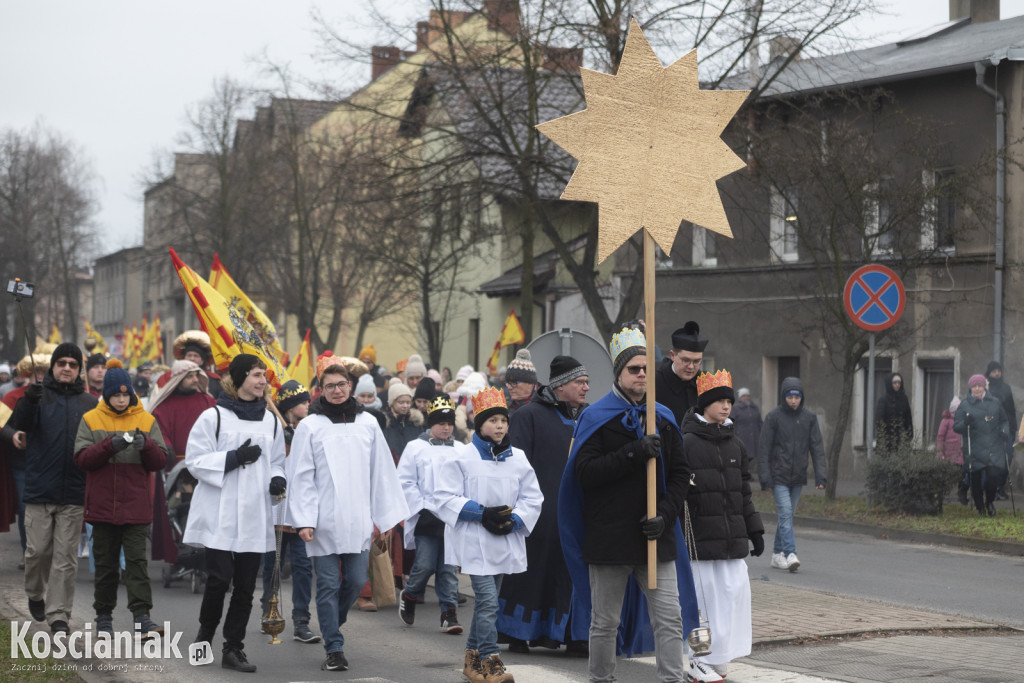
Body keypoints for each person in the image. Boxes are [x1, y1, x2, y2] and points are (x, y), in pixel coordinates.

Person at [559, 326, 700, 683]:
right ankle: (601, 678)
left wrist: (665, 515)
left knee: (670, 616)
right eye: (633, 369)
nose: (641, 375)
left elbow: (682, 475)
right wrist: (634, 451)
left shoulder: (663, 418)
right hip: (609, 539)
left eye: (645, 369)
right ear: (619, 373)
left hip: (655, 537)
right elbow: (586, 473)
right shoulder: (596, 418)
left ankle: (671, 678)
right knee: (605, 621)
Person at [286, 359, 409, 672]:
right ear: (321, 390)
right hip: (323, 521)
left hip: (358, 519)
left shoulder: (367, 423)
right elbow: (300, 475)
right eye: (330, 386)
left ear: (350, 386)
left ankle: (333, 621)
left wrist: (384, 517)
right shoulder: (310, 426)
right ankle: (334, 646)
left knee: (355, 580)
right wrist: (303, 520)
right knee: (327, 584)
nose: (337, 390)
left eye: (341, 385)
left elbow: (381, 472)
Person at [184, 354, 287, 673]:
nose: (263, 382)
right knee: (219, 580)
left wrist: (277, 479)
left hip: (254, 514)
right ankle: (203, 640)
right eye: (257, 375)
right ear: (240, 377)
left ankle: (233, 648)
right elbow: (195, 461)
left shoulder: (270, 419)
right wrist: (233, 458)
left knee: (244, 585)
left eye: (265, 377)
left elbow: (278, 459)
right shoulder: (213, 417)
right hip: (221, 512)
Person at [434, 387, 543, 683]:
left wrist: (514, 520)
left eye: (503, 421)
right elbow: (444, 497)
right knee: (488, 602)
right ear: (479, 423)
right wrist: (481, 514)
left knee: (488, 603)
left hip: (503, 540)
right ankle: (492, 660)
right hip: (474, 541)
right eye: (493, 420)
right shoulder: (462, 457)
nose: (499, 426)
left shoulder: (518, 458)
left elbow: (533, 498)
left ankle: (471, 660)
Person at [498, 355, 590, 656]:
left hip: (580, 514)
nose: (587, 388)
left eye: (587, 382)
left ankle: (575, 636)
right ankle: (517, 633)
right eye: (580, 382)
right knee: (531, 576)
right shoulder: (529, 416)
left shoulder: (589, 417)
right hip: (539, 515)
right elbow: (514, 468)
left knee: (574, 577)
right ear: (561, 386)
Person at [5, 342, 97, 634]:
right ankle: (34, 593)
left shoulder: (90, 403)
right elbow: (19, 425)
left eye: (73, 364)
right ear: (53, 368)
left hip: (73, 491)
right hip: (40, 488)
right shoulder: (37, 396)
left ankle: (59, 615)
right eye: (62, 363)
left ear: (79, 369)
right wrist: (30, 401)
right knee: (37, 553)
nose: (67, 368)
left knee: (65, 559)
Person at [73, 359, 170, 637]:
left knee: (138, 565)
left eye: (125, 395)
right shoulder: (91, 419)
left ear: (132, 395)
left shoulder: (146, 420)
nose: (120, 399)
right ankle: (104, 618)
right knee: (105, 566)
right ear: (106, 395)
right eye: (115, 395)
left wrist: (147, 446)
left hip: (136, 507)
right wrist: (108, 446)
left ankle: (142, 618)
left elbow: (159, 460)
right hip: (102, 508)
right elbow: (81, 458)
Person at [680, 370, 764, 682]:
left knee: (733, 596)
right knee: (703, 604)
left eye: (729, 401)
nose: (726, 406)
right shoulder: (686, 442)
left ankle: (719, 657)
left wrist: (753, 529)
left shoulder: (736, 445)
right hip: (699, 541)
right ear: (705, 404)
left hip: (731, 541)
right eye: (719, 401)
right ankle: (698, 659)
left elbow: (743, 492)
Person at [256, 379, 320, 644]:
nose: (308, 405)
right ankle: (268, 610)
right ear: (292, 406)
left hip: (302, 509)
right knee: (274, 565)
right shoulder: (273, 429)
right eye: (304, 402)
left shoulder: (311, 429)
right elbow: (269, 462)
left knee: (304, 567)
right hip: (280, 507)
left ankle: (301, 620)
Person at [397, 396, 463, 635]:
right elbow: (405, 481)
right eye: (440, 423)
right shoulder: (416, 447)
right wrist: (421, 506)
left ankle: (449, 613)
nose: (445, 427)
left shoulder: (462, 450)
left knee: (447, 569)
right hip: (427, 516)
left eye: (449, 423)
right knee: (424, 565)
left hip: (452, 518)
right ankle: (411, 593)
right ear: (430, 423)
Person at [148, 359, 216, 565]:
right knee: (177, 508)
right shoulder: (164, 407)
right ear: (178, 379)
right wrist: (165, 446)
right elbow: (159, 428)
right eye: (190, 376)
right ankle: (179, 550)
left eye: (197, 375)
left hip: (206, 466)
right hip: (176, 469)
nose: (196, 379)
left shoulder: (208, 403)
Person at [757, 377, 826, 572]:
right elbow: (764, 449)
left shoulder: (809, 418)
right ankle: (790, 553)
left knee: (786, 516)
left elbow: (817, 448)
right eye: (790, 397)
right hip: (778, 475)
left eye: (797, 397)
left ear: (801, 398)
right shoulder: (773, 417)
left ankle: (776, 554)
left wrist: (821, 476)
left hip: (797, 476)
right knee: (786, 513)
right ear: (783, 397)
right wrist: (765, 477)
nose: (793, 401)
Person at [953, 374, 1010, 517]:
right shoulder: (965, 405)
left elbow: (1004, 420)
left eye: (979, 385)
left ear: (984, 386)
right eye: (974, 386)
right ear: (971, 388)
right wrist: (965, 423)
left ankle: (989, 502)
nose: (977, 389)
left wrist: (1004, 431)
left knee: (992, 478)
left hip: (992, 447)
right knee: (976, 481)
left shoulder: (995, 402)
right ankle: (980, 508)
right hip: (974, 448)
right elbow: (956, 426)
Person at [655, 321, 708, 427]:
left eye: (696, 361)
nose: (691, 366)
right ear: (672, 355)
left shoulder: (706, 384)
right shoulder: (654, 383)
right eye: (685, 360)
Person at [985, 361, 1016, 500]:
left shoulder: (1006, 388)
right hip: (991, 429)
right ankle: (991, 488)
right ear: (989, 372)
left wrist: (1013, 428)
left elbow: (1011, 410)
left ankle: (1000, 486)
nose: (997, 373)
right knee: (993, 460)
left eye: (999, 370)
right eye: (994, 370)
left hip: (1007, 427)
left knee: (1008, 457)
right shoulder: (986, 388)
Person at [172, 330, 222, 398]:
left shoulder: (215, 381)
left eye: (196, 356)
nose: (192, 359)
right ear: (183, 358)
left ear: (202, 360)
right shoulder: (174, 377)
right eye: (189, 355)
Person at [937, 397, 968, 505]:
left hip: (961, 453)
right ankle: (942, 495)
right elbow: (940, 437)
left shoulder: (963, 421)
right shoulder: (946, 421)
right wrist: (940, 451)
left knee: (963, 474)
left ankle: (961, 493)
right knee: (949, 474)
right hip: (950, 453)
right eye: (955, 411)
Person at [874, 372, 913, 457]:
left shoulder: (904, 399)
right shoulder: (883, 400)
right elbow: (879, 421)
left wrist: (908, 436)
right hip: (886, 442)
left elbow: (908, 419)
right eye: (895, 383)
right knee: (887, 466)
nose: (897, 385)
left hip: (902, 442)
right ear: (890, 384)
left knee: (903, 466)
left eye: (899, 383)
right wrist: (885, 438)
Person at [383, 381, 422, 457]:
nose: (405, 406)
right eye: (401, 402)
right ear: (392, 403)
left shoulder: (415, 423)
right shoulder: (386, 424)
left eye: (408, 402)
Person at [732, 388, 762, 464]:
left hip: (754, 439)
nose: (746, 397)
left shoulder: (754, 408)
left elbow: (759, 422)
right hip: (742, 438)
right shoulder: (735, 408)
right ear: (740, 397)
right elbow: (732, 424)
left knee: (751, 459)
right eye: (744, 396)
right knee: (742, 457)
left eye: (747, 396)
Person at [502, 349, 536, 416]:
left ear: (530, 384)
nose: (509, 387)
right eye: (508, 383)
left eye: (514, 383)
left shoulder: (545, 407)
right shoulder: (504, 408)